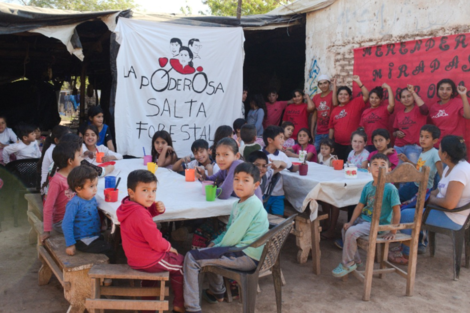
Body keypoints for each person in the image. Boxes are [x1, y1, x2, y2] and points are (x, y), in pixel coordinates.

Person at [183, 163, 269, 312]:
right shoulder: (238, 204)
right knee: (209, 249)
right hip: (243, 251)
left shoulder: (251, 205)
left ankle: (192, 308)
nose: (239, 184)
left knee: (191, 258)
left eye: (245, 180)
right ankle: (217, 292)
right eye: (236, 179)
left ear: (256, 184)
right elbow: (229, 230)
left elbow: (233, 237)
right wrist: (214, 243)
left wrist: (215, 248)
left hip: (246, 255)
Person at [117, 170, 184, 313]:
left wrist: (154, 209)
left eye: (153, 190)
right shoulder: (140, 213)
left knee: (151, 280)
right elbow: (156, 242)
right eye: (145, 190)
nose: (150, 195)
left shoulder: (127, 207)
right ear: (131, 192)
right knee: (182, 264)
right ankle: (179, 304)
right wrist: (168, 247)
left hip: (135, 259)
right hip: (149, 259)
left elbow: (139, 222)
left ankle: (147, 309)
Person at [399, 135, 470, 258]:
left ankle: (406, 255)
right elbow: (439, 190)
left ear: (446, 154)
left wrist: (430, 200)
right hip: (445, 212)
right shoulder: (451, 166)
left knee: (406, 215)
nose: (438, 151)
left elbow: (449, 204)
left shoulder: (460, 171)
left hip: (452, 217)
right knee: (407, 207)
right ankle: (407, 247)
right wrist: (424, 195)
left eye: (440, 149)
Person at [332, 153, 400, 277]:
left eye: (383, 165)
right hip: (364, 220)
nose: (379, 167)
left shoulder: (390, 188)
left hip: (378, 224)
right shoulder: (368, 186)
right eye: (375, 164)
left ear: (389, 170)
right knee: (345, 229)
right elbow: (359, 206)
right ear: (369, 169)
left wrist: (393, 231)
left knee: (351, 232)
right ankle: (356, 261)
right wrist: (351, 222)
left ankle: (347, 263)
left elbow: (396, 211)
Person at [61, 166, 114, 261]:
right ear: (78, 188)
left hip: (94, 235)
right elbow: (66, 224)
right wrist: (70, 244)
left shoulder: (92, 198)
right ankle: (108, 273)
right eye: (91, 186)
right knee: (109, 249)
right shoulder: (74, 203)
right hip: (82, 240)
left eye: (96, 185)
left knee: (112, 241)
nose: (95, 189)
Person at [40, 140, 83, 242]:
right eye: (79, 156)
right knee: (87, 228)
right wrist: (46, 230)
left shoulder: (74, 175)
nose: (82, 158)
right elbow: (48, 206)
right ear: (70, 161)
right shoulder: (57, 181)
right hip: (62, 221)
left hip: (73, 215)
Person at [195, 138, 262, 201]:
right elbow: (213, 181)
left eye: (226, 154)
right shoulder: (226, 167)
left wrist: (212, 189)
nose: (220, 159)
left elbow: (223, 194)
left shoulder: (237, 165)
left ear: (237, 156)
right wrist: (203, 175)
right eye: (218, 154)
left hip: (252, 209)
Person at [398, 125, 443, 202]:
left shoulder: (435, 153)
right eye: (421, 136)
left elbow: (441, 173)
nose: (423, 139)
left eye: (427, 137)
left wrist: (439, 190)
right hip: (414, 184)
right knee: (397, 197)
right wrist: (407, 160)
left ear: (435, 141)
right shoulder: (423, 152)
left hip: (423, 188)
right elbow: (419, 167)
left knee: (403, 201)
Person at [329, 76, 369, 161]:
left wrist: (359, 82)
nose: (343, 96)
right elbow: (331, 128)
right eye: (340, 94)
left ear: (350, 96)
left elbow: (366, 95)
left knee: (350, 168)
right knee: (338, 168)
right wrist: (330, 143)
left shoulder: (355, 103)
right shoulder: (335, 110)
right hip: (337, 145)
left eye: (345, 94)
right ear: (337, 96)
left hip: (352, 146)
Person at [262, 126, 295, 216]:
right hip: (262, 194)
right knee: (263, 218)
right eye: (280, 137)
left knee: (278, 219)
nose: (283, 140)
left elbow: (292, 168)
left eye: (283, 138)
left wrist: (303, 166)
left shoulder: (282, 155)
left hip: (278, 195)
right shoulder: (260, 155)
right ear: (270, 140)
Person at [393, 85, 428, 164]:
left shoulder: (419, 110)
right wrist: (397, 133)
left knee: (413, 172)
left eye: (409, 96)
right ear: (400, 100)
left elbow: (425, 109)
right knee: (396, 172)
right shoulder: (399, 114)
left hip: (414, 147)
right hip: (398, 147)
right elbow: (394, 131)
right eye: (403, 97)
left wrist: (413, 91)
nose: (406, 99)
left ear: (413, 97)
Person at [429, 79, 470, 147]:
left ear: (452, 92)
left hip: (456, 144)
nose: (444, 92)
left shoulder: (458, 103)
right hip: (439, 146)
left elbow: (468, 116)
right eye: (441, 89)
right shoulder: (433, 107)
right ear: (438, 91)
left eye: (448, 89)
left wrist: (463, 95)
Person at [247, 151, 285, 216]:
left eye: (264, 166)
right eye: (257, 165)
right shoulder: (245, 179)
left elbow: (282, 167)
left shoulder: (266, 175)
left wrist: (279, 162)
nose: (261, 168)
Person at [360, 83, 395, 152]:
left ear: (381, 99)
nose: (374, 100)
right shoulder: (365, 112)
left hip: (382, 144)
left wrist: (389, 88)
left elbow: (392, 104)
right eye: (372, 98)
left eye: (377, 98)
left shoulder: (384, 109)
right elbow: (362, 128)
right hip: (369, 144)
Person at [39, 125, 71, 193]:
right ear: (56, 140)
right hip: (48, 192)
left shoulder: (55, 148)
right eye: (66, 140)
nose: (69, 142)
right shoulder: (54, 151)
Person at [310, 74, 334, 152]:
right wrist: (312, 131)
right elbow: (314, 115)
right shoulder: (316, 97)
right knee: (315, 153)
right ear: (318, 85)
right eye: (320, 83)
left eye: (325, 83)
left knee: (328, 153)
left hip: (330, 131)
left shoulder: (333, 94)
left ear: (329, 84)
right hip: (319, 132)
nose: (323, 85)